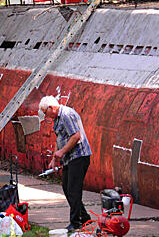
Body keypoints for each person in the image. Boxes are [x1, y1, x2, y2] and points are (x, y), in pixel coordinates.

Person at [38, 96, 92, 232]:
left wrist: (62, 152)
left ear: (51, 108)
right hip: (69, 158)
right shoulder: (57, 119)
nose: (46, 116)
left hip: (79, 156)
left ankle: (76, 223)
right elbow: (60, 138)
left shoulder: (67, 114)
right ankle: (85, 217)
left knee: (74, 190)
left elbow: (76, 136)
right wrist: (54, 158)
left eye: (45, 113)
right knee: (67, 188)